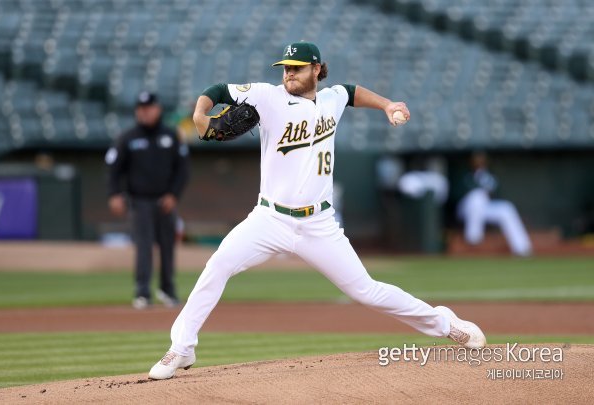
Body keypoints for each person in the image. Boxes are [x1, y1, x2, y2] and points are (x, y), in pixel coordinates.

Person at [148, 42, 486, 380]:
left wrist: (387, 105)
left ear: (317, 69)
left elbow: (351, 92)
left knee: (365, 290)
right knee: (218, 265)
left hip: (319, 223)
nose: (289, 73)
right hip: (270, 218)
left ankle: (446, 322)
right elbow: (218, 91)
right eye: (286, 67)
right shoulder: (268, 97)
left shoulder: (332, 98)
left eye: (297, 67)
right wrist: (200, 112)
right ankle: (181, 347)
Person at [106, 91, 189, 309]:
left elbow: (182, 170)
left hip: (165, 201)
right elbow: (114, 169)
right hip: (139, 201)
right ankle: (142, 292)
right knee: (143, 248)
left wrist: (174, 194)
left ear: (157, 109)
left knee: (168, 247)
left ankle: (167, 289)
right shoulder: (128, 138)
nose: (144, 112)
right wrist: (114, 194)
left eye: (148, 108)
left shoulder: (171, 136)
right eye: (141, 109)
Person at [457, 152, 532, 256]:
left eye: (481, 159)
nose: (479, 162)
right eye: (476, 159)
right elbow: (458, 193)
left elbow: (496, 195)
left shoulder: (490, 177)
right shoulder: (464, 174)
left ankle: (522, 248)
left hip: (483, 208)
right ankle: (473, 238)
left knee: (506, 208)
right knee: (476, 197)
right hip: (465, 209)